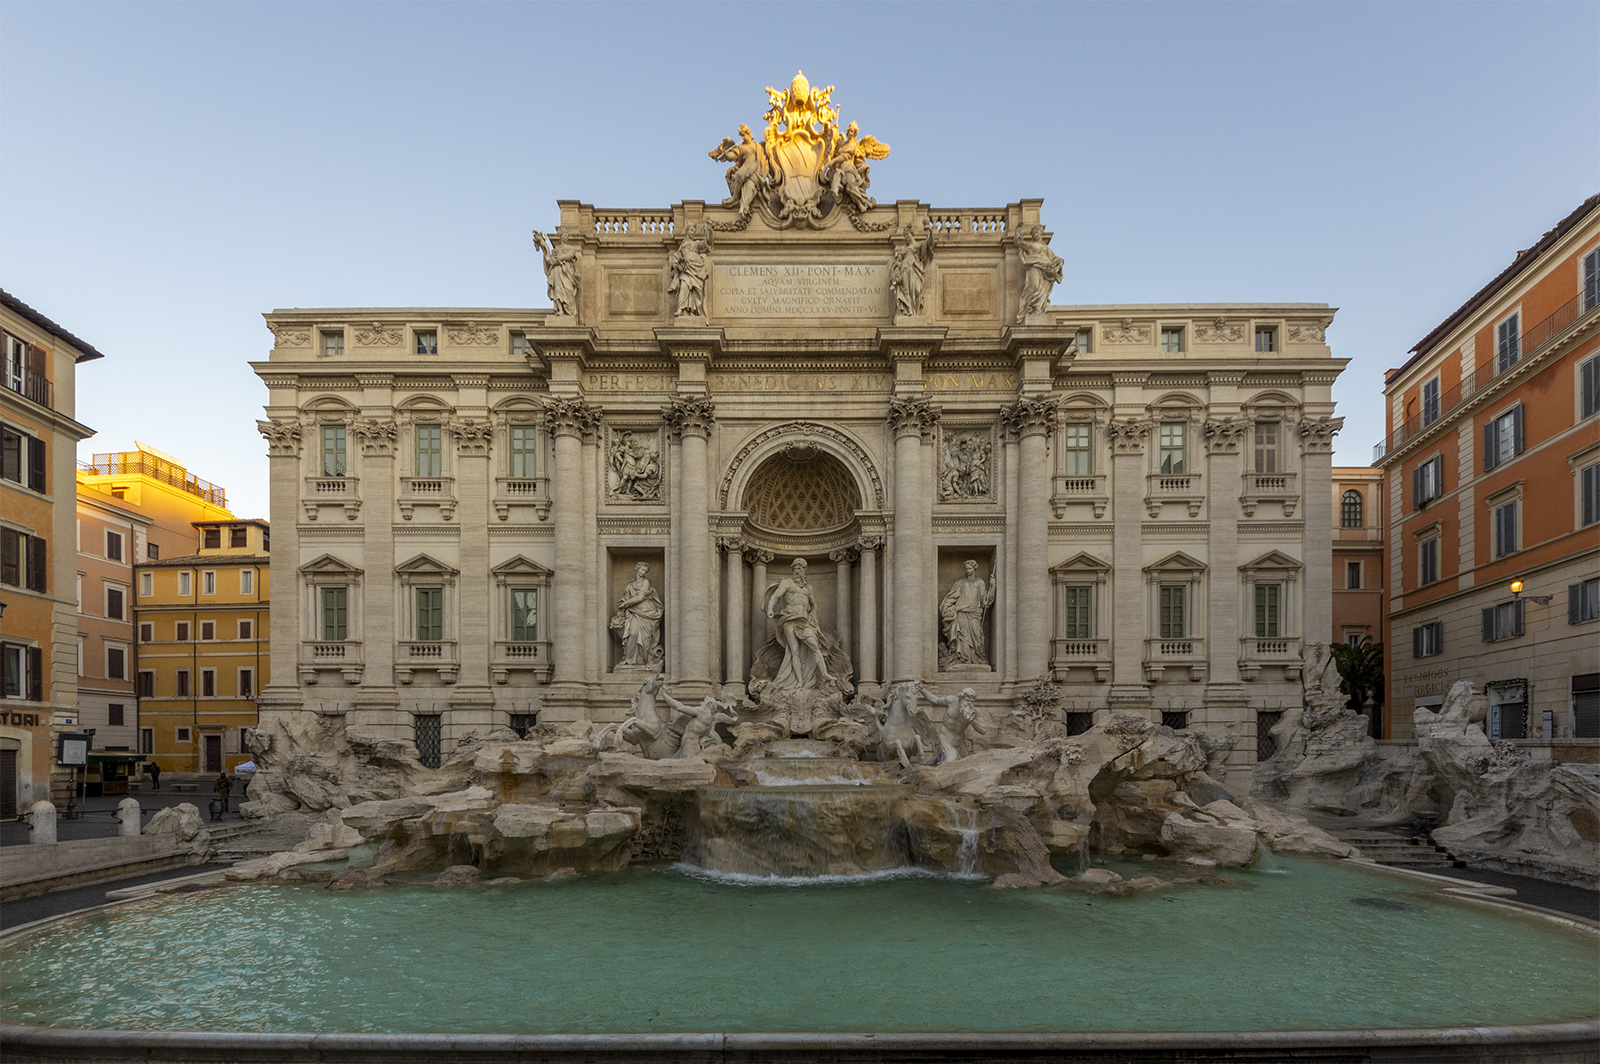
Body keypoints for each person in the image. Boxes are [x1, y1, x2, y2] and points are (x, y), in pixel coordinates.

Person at [763, 558, 838, 691]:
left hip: (804, 620)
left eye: (802, 568)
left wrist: (813, 615)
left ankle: (825, 674)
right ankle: (799, 681)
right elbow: (775, 596)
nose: (799, 571)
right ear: (793, 569)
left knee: (815, 645)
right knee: (794, 651)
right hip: (789, 618)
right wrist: (770, 609)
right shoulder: (787, 583)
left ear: (805, 570)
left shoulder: (808, 588)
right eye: (797, 568)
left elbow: (814, 605)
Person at [940, 560, 996, 665]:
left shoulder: (980, 582)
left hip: (975, 613)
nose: (968, 570)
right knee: (962, 637)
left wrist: (992, 587)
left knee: (977, 635)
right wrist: (947, 606)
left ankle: (977, 657)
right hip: (961, 613)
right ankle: (963, 659)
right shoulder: (961, 582)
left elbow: (985, 599)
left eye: (970, 568)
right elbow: (952, 597)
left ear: (974, 568)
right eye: (966, 569)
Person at [610, 562, 664, 666]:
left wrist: (625, 604)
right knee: (633, 633)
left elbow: (639, 597)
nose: (643, 572)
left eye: (645, 571)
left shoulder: (646, 582)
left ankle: (641, 659)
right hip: (634, 613)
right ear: (637, 569)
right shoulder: (630, 585)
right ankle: (629, 659)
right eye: (642, 569)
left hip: (647, 612)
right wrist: (623, 605)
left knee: (645, 638)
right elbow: (625, 598)